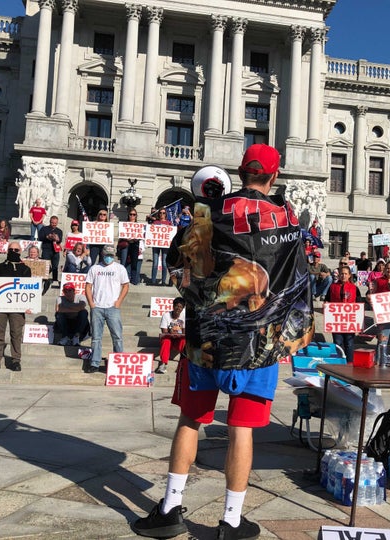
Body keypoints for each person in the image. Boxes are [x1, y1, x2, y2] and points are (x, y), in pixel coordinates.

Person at [133, 143, 313, 539]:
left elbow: (180, 264)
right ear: (274, 175)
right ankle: (231, 520)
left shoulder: (207, 213)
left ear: (239, 171)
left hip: (206, 342)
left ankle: (170, 507)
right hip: (260, 344)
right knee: (241, 428)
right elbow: (300, 277)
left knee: (190, 420)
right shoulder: (288, 219)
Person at [0, 241, 31, 371]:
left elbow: (28, 289)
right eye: (11, 249)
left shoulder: (26, 269)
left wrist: (30, 304)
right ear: (7, 251)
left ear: (20, 252)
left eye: (16, 250)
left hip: (18, 307)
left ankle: (15, 360)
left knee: (16, 334)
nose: (13, 252)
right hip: (1, 306)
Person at [84, 245, 129, 373]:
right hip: (97, 307)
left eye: (111, 256)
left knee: (117, 336)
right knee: (96, 337)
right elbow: (88, 286)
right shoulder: (95, 268)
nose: (109, 258)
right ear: (102, 255)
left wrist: (118, 302)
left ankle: (118, 362)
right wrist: (91, 303)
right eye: (106, 255)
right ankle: (95, 363)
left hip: (113, 307)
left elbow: (125, 285)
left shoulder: (120, 268)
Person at [326, 264, 359, 363]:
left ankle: (349, 363)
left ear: (349, 275)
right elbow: (327, 300)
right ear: (339, 275)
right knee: (337, 342)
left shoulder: (354, 288)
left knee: (349, 343)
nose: (343, 276)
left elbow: (359, 304)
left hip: (349, 320)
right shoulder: (332, 287)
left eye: (345, 274)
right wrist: (325, 305)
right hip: (336, 320)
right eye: (341, 274)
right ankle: (338, 362)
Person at [155, 297, 186, 374]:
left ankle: (183, 364)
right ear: (173, 306)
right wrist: (170, 332)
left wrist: (179, 334)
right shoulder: (166, 315)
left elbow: (184, 332)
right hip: (169, 340)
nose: (178, 309)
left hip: (178, 341)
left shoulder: (184, 316)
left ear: (183, 308)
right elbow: (164, 333)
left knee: (184, 340)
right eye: (177, 306)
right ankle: (163, 364)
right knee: (166, 340)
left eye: (180, 307)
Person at [55, 282, 89, 346]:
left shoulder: (81, 297)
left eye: (70, 290)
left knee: (84, 313)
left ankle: (76, 336)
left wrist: (65, 309)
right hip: (66, 321)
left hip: (77, 321)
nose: (68, 293)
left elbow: (82, 306)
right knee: (58, 314)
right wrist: (76, 308)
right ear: (63, 292)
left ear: (74, 291)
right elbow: (58, 309)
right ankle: (65, 336)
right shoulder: (59, 298)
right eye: (65, 291)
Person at [117, 208, 143, 285]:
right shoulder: (124, 224)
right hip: (125, 243)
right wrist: (126, 237)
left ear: (136, 216)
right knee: (123, 261)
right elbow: (120, 235)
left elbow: (141, 236)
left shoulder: (138, 225)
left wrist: (136, 238)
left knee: (134, 262)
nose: (132, 216)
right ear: (128, 215)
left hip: (135, 244)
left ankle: (133, 279)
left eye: (134, 214)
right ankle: (122, 279)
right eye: (131, 214)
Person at [150, 208, 172, 285]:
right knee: (155, 263)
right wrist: (151, 227)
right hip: (156, 244)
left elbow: (171, 234)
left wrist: (170, 229)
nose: (162, 214)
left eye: (163, 213)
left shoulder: (169, 223)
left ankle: (163, 281)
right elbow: (151, 232)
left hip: (165, 245)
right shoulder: (155, 222)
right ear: (158, 214)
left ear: (166, 214)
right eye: (160, 213)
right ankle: (153, 281)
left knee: (164, 263)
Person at [39, 216, 63, 285]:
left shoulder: (59, 231)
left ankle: (54, 279)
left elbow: (60, 240)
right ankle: (43, 279)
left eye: (55, 223)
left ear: (57, 223)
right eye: (52, 223)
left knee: (55, 266)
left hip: (55, 250)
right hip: (46, 249)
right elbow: (40, 237)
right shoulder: (44, 229)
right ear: (50, 222)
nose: (54, 224)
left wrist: (57, 239)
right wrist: (48, 237)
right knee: (45, 265)